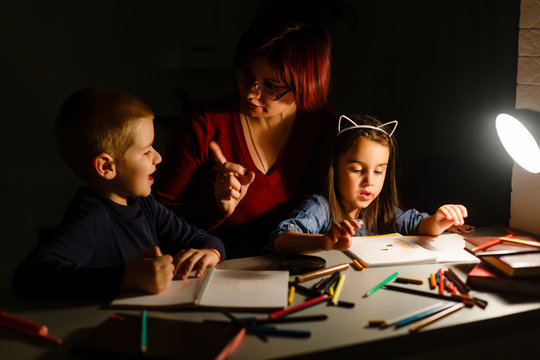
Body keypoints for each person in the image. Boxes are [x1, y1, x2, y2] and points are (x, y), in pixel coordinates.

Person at [12, 88, 225, 300]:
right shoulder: (91, 217)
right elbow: (28, 278)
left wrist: (210, 253)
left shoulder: (144, 204)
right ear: (106, 166)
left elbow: (201, 238)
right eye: (146, 150)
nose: (157, 158)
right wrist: (125, 278)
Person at [153, 20, 337, 258]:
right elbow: (155, 216)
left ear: (304, 87)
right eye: (247, 74)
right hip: (221, 270)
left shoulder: (323, 125)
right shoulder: (204, 125)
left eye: (271, 86)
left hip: (302, 268)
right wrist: (216, 207)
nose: (251, 93)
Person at [270, 114, 469, 255]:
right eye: (357, 170)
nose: (369, 181)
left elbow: (419, 226)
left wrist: (439, 221)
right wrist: (324, 241)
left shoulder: (382, 210)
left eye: (378, 171)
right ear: (334, 168)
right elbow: (281, 239)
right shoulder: (321, 207)